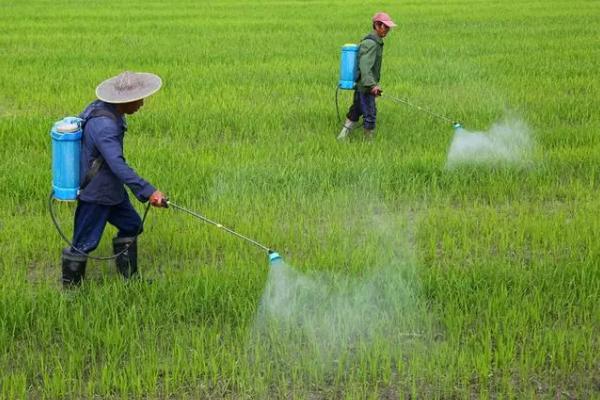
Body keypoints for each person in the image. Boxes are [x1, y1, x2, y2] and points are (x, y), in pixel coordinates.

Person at [61, 71, 168, 287]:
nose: (142, 103)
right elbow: (117, 164)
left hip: (112, 190)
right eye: (138, 99)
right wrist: (149, 192)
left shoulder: (105, 109)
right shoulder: (105, 126)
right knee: (83, 243)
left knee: (132, 225)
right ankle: (71, 294)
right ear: (124, 101)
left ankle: (130, 281)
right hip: (97, 193)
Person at [338, 12, 396, 140]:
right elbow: (365, 67)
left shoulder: (376, 42)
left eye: (388, 27)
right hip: (365, 86)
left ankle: (342, 137)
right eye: (384, 26)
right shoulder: (371, 43)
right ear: (376, 25)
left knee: (355, 111)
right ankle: (368, 143)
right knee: (370, 114)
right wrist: (372, 85)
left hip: (363, 85)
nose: (387, 30)